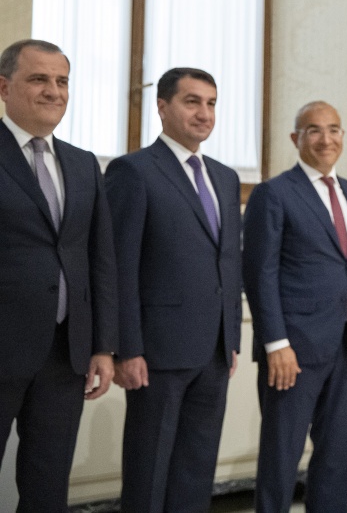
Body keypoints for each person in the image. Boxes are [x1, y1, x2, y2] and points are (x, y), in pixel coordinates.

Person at [105, 67, 243, 512]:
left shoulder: (224, 177)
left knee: (196, 468)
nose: (204, 113)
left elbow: (228, 261)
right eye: (192, 101)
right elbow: (119, 266)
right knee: (149, 470)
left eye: (211, 103)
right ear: (162, 107)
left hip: (215, 351)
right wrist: (126, 348)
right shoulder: (134, 171)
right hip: (156, 353)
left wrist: (232, 338)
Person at [243, 101, 347, 513]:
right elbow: (259, 273)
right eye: (314, 130)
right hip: (293, 351)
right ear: (295, 138)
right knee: (281, 457)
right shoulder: (273, 194)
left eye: (334, 129)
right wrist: (275, 344)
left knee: (338, 457)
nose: (326, 139)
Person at [0, 39, 117, 512]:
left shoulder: (83, 164)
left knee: (48, 482)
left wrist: (104, 345)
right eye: (39, 79)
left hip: (65, 353)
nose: (54, 91)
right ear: (4, 87)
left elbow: (100, 260)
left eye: (62, 81)